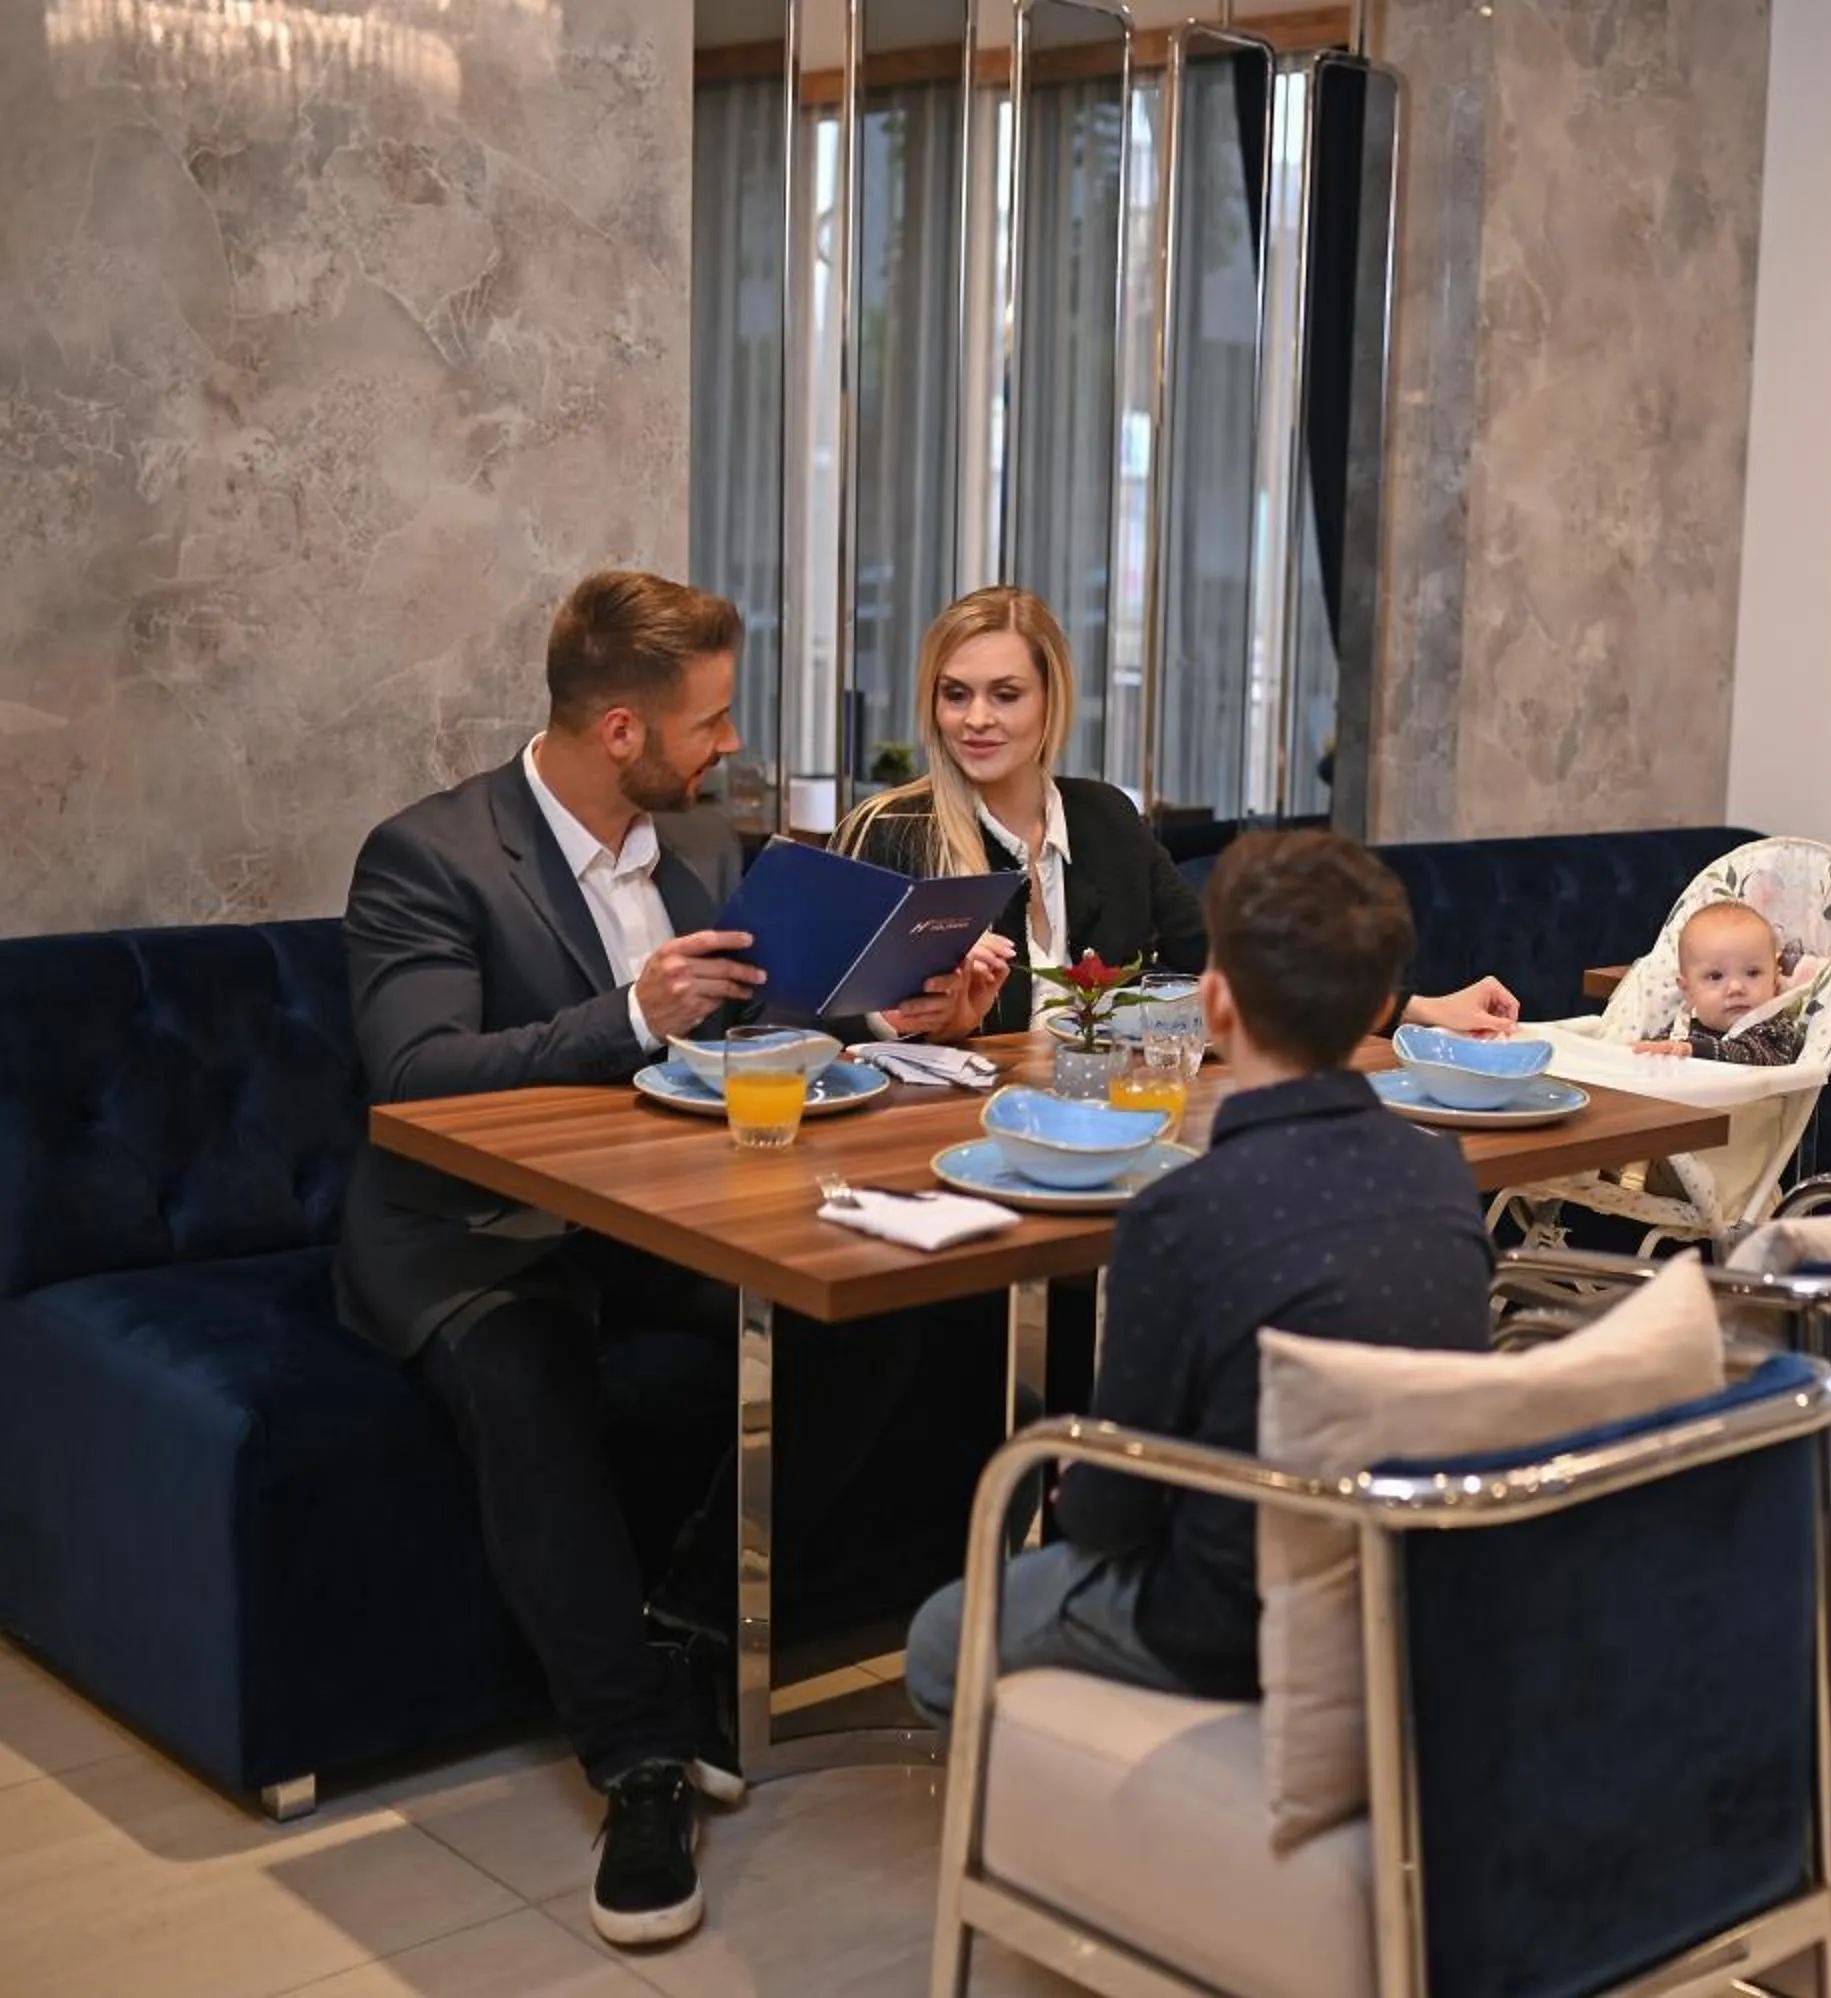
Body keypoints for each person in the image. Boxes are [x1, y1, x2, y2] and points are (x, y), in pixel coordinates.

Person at [335, 570, 1005, 1951]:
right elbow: (414, 1075)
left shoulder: (698, 836)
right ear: (623, 729)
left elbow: (756, 1026)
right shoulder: (429, 856)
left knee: (874, 1307)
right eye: (710, 720)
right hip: (475, 1232)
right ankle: (640, 1760)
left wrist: (890, 1013)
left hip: (664, 1215)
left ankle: (694, 1627)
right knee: (525, 1377)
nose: (731, 743)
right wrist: (632, 1012)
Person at [902, 830, 1495, 1721]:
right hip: (1416, 1592)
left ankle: (1096, 1782)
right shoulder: (1444, 1173)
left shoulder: (1180, 1213)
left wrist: (1084, 1493)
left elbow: (1112, 1516)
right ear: (1381, 1003)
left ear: (1214, 1003)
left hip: (1222, 1624)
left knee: (940, 1640)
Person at [833, 585, 1521, 1040]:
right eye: (955, 694)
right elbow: (809, 1021)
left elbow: (1229, 963)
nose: (976, 719)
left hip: (1112, 1132)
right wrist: (907, 1022)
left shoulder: (1105, 818)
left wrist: (1416, 1010)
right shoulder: (891, 831)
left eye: (1005, 695)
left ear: (1051, 701)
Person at [1632, 901, 1808, 1066]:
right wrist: (1647, 1054)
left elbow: (1755, 1057)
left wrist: (1695, 1051)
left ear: (1774, 981)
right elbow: (1653, 1055)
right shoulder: (1681, 1030)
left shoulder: (1775, 1033)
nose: (1736, 988)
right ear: (1688, 991)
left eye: (1752, 973)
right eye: (1715, 976)